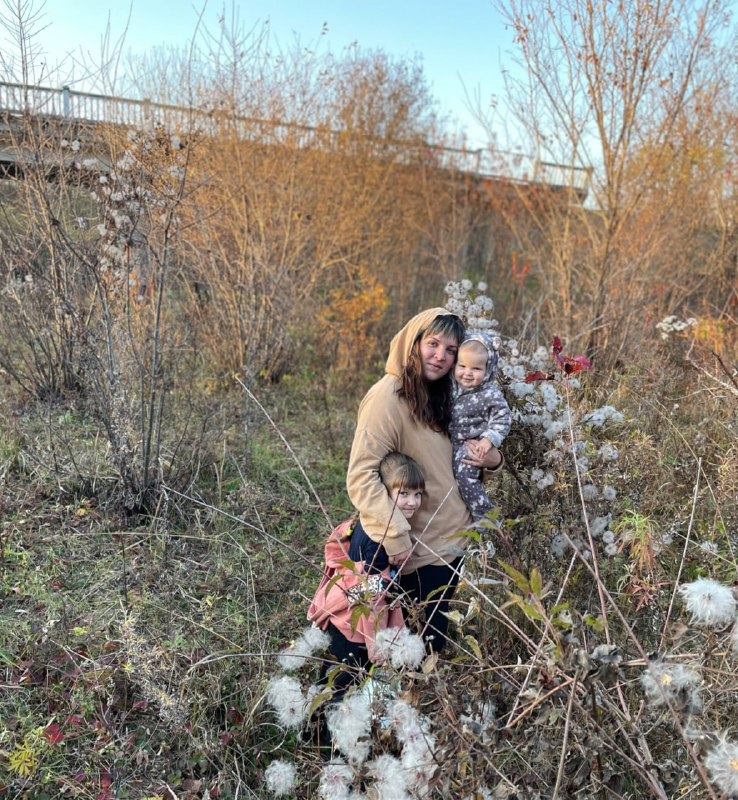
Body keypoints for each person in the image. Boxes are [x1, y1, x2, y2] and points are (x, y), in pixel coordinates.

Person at [346, 308, 503, 653]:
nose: (441, 356)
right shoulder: (388, 398)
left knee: (425, 657)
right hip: (403, 553)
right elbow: (361, 477)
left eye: (451, 350)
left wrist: (492, 460)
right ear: (413, 342)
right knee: (365, 656)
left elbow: (461, 457)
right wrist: (396, 538)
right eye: (433, 344)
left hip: (447, 548)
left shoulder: (450, 394)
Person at [307, 452, 425, 693]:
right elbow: (372, 596)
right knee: (343, 690)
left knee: (331, 682)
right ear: (385, 493)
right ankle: (320, 729)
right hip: (354, 628)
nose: (412, 502)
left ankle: (313, 726)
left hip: (344, 618)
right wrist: (374, 643)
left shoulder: (367, 521)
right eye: (403, 494)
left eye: (417, 494)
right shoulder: (379, 540)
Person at [450, 332, 512, 522]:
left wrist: (488, 440)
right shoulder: (451, 385)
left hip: (471, 446)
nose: (467, 373)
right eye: (462, 366)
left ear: (488, 370)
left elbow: (502, 418)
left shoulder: (489, 394)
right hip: (451, 442)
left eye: (476, 368)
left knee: (464, 474)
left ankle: (486, 517)